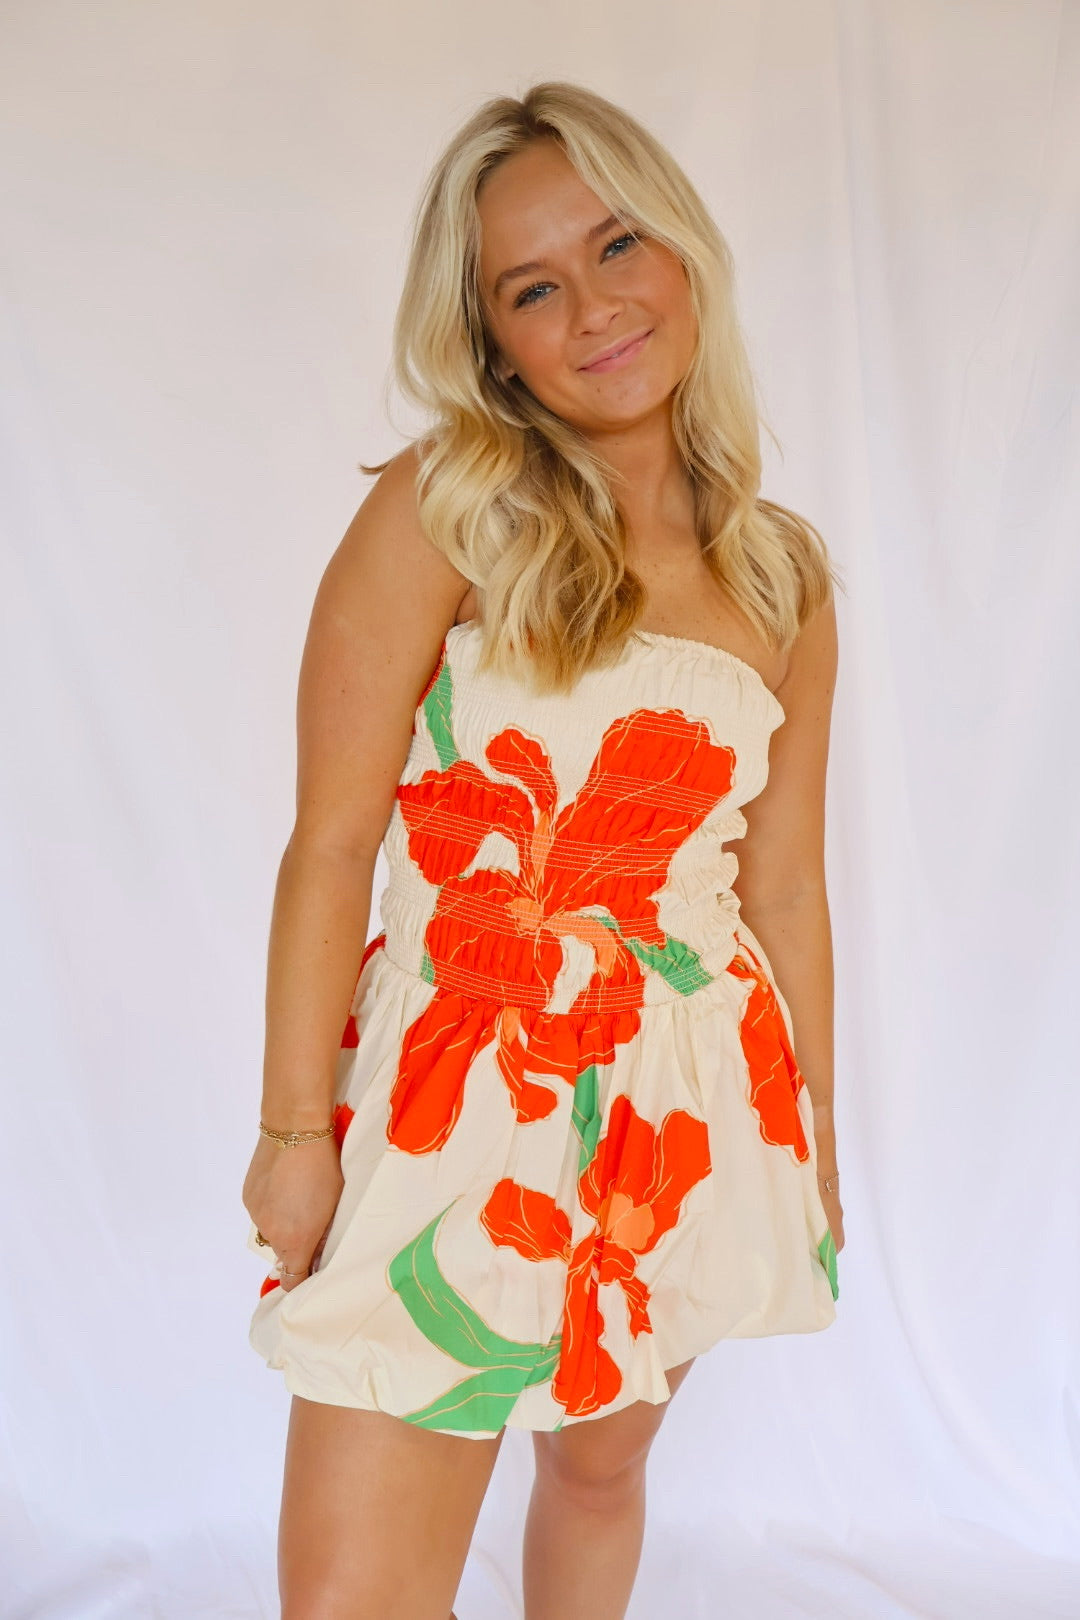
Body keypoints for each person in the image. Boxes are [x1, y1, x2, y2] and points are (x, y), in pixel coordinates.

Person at [241, 78, 846, 1620]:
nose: (594, 308)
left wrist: (815, 1136)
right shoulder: (447, 510)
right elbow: (332, 839)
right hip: (459, 1087)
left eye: (617, 243)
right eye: (533, 287)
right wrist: (296, 1133)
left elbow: (781, 886)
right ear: (493, 339)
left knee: (597, 1473)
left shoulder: (781, 575)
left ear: (685, 249)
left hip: (687, 1101)